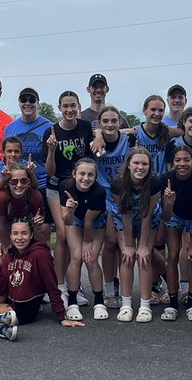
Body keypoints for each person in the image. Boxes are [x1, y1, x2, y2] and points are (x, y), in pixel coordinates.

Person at [0, 217, 86, 329]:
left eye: (24, 233)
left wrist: (62, 316)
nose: (19, 238)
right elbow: (0, 290)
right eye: (15, 234)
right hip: (7, 299)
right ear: (10, 236)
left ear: (31, 235)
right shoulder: (11, 252)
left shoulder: (40, 255)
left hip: (21, 311)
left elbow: (51, 286)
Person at [45, 90, 95, 308]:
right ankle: (60, 286)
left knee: (78, 237)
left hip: (81, 188)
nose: (69, 110)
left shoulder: (85, 127)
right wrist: (51, 150)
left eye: (73, 105)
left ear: (78, 106)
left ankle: (74, 284)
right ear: (59, 108)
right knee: (64, 235)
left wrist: (100, 133)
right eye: (65, 106)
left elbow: (96, 148)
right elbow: (49, 171)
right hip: (57, 187)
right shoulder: (52, 130)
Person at [110, 147, 162, 322]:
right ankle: (126, 305)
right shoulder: (118, 185)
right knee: (127, 255)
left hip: (148, 217)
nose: (140, 167)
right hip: (125, 218)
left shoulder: (155, 183)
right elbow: (125, 215)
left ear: (150, 166)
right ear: (128, 165)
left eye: (144, 164)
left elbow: (147, 214)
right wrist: (130, 245)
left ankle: (145, 305)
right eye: (136, 163)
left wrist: (142, 247)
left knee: (145, 256)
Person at [158, 145, 192, 320]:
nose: (182, 164)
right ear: (172, 163)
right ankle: (173, 301)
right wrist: (169, 203)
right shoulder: (165, 178)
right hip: (174, 215)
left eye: (186, 160)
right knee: (172, 255)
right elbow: (165, 216)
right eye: (178, 160)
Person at [60, 157, 109, 321]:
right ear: (74, 174)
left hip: (95, 220)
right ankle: (72, 301)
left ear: (95, 177)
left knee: (91, 258)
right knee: (76, 256)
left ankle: (99, 301)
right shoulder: (66, 187)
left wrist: (87, 242)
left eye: (90, 175)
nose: (85, 178)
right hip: (74, 217)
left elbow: (89, 220)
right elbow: (66, 220)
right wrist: (70, 210)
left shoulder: (99, 192)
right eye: (82, 173)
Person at [92, 106, 132, 307]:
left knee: (123, 243)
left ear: (119, 122)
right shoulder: (94, 143)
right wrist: (97, 135)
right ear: (99, 123)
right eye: (105, 121)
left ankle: (119, 284)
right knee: (109, 242)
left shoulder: (129, 140)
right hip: (104, 195)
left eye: (113, 121)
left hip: (124, 195)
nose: (109, 124)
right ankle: (109, 289)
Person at [3, 87, 53, 192]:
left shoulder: (50, 127)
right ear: (19, 103)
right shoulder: (10, 128)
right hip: (17, 184)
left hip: (43, 183)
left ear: (38, 104)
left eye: (32, 100)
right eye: (23, 100)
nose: (27, 103)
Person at [0, 162, 50, 248]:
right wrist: (7, 248)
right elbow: (0, 226)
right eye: (14, 182)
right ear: (8, 183)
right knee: (1, 244)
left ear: (29, 183)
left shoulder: (36, 196)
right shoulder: (1, 198)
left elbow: (41, 217)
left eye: (23, 181)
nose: (19, 185)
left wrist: (38, 221)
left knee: (44, 229)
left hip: (25, 218)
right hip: (4, 219)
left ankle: (38, 253)